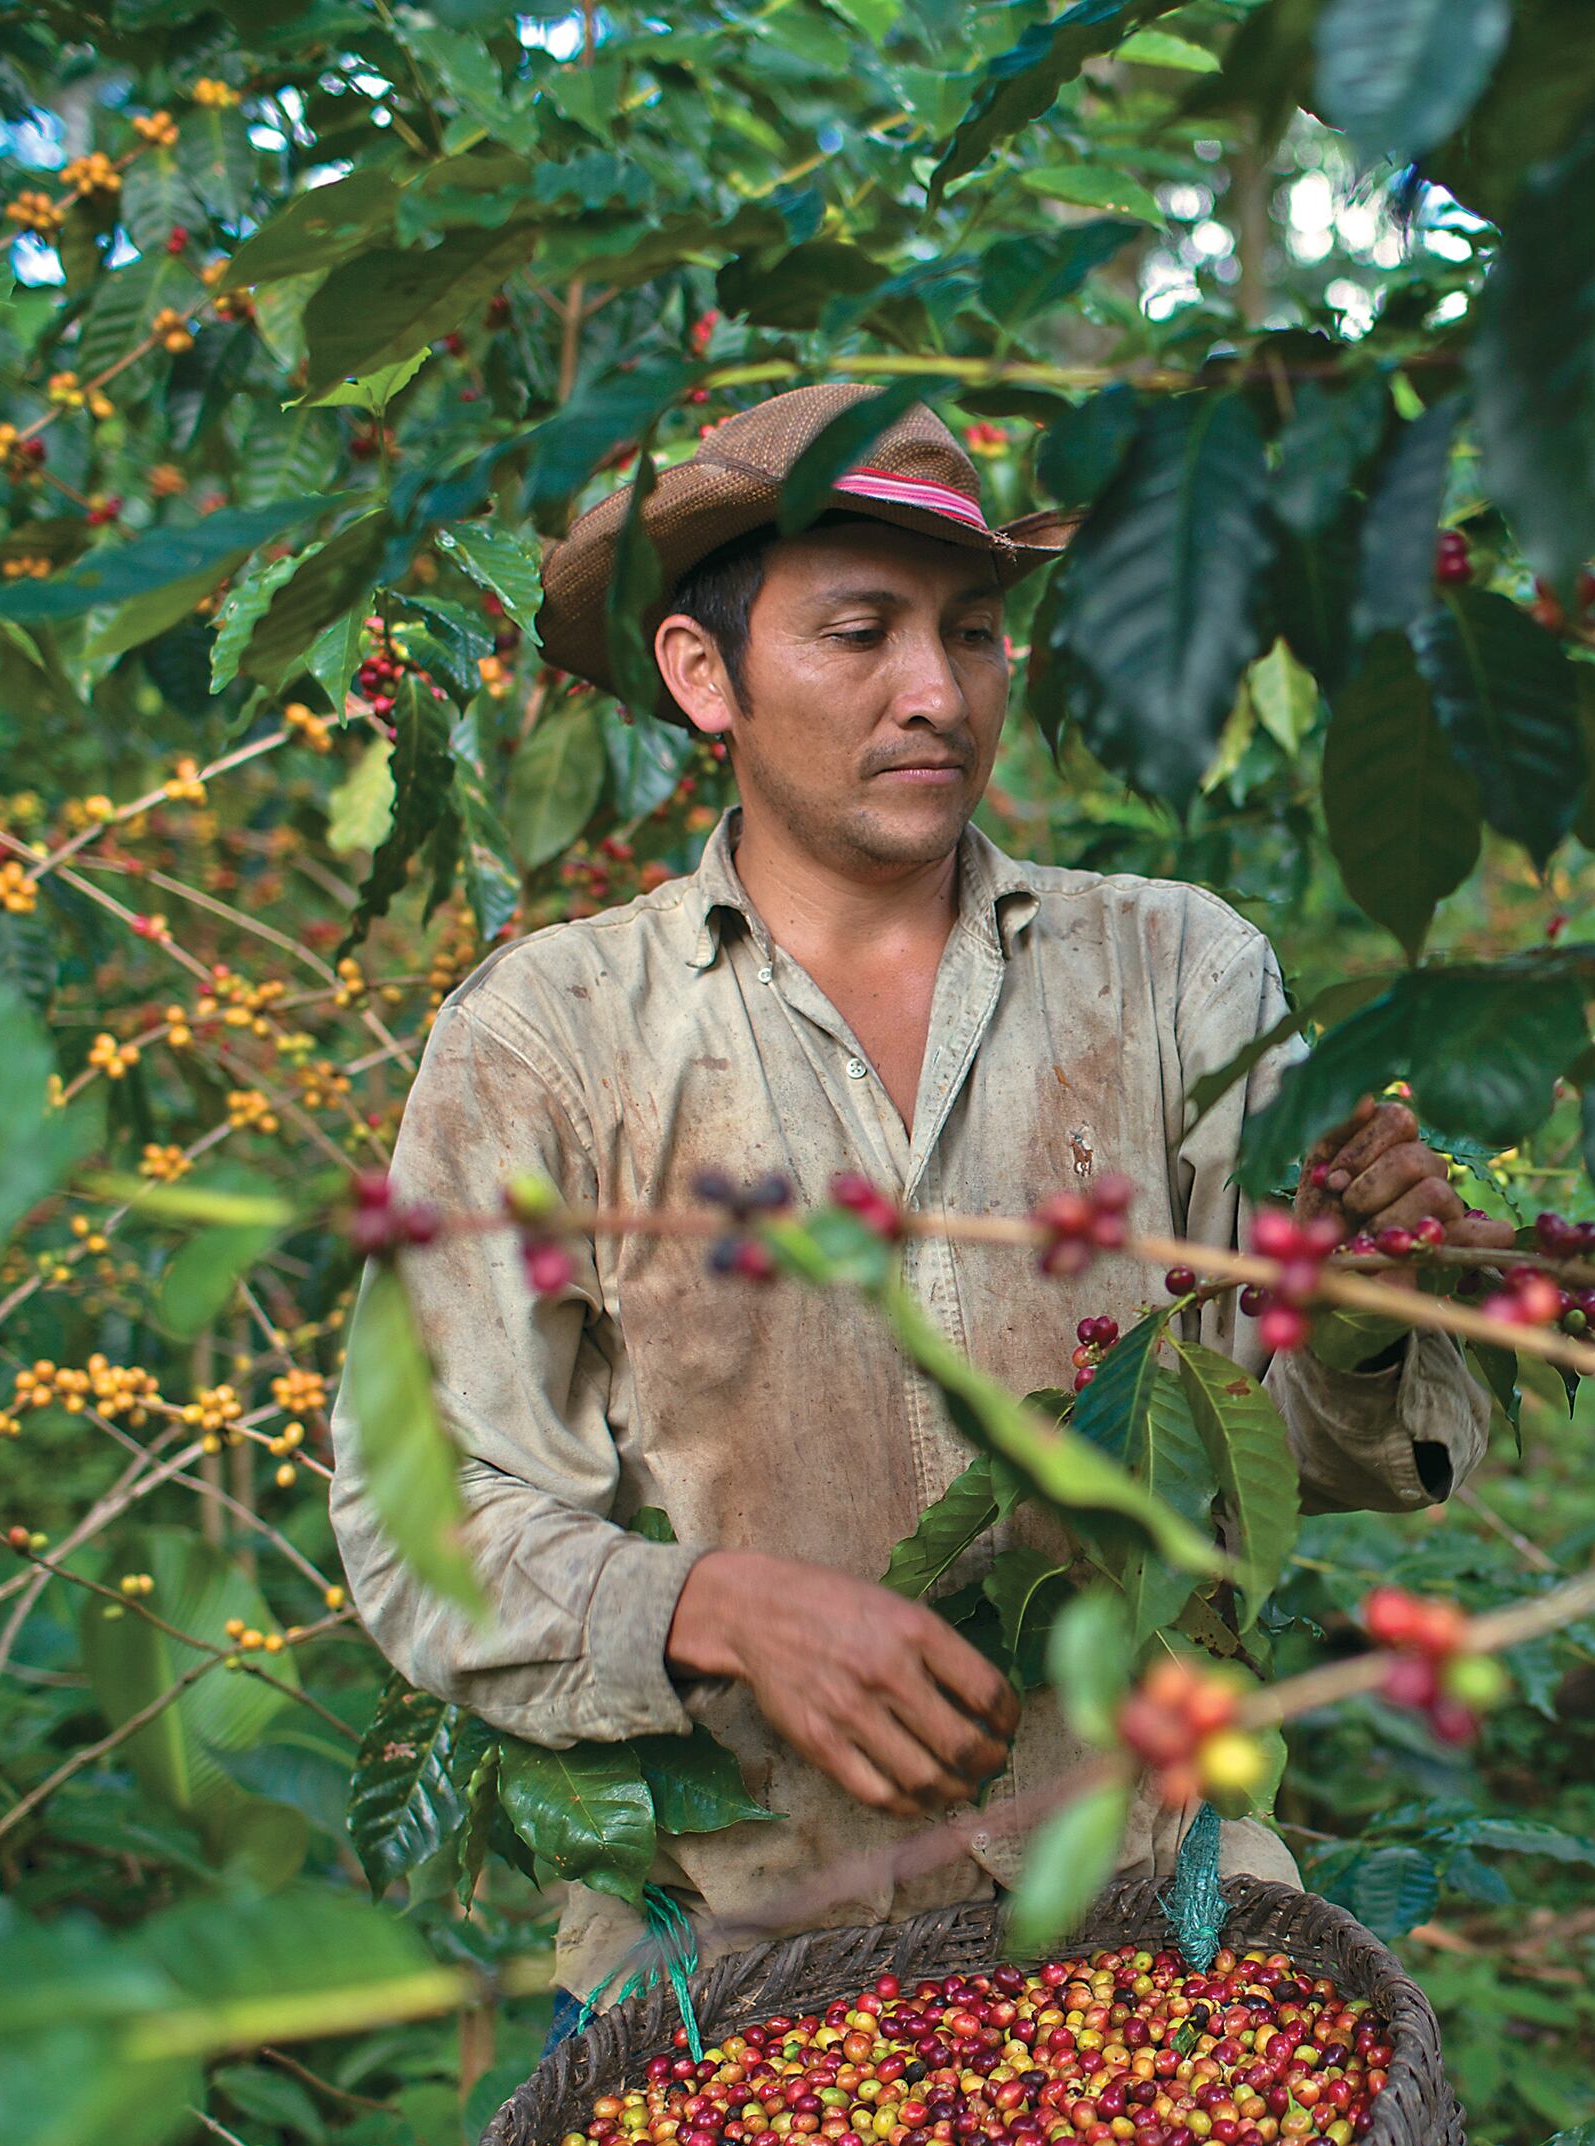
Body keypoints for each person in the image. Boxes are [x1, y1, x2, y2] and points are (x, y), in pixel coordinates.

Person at [330, 384, 1497, 2020]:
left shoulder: (1174, 974)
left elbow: (1290, 1445)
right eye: (858, 632)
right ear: (698, 672)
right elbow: (426, 1522)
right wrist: (710, 1609)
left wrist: (1369, 1314)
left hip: (1167, 1923)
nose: (936, 692)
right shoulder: (553, 1038)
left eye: (972, 634)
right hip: (737, 1966)